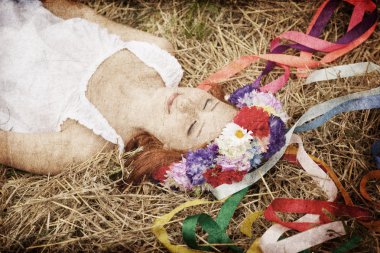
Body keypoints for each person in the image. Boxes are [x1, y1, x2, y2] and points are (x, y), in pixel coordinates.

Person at [0, 0, 237, 181]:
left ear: (169, 150)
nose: (186, 105)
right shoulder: (158, 53)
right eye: (207, 103)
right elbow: (82, 14)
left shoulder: (87, 145)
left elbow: (5, 146)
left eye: (192, 126)